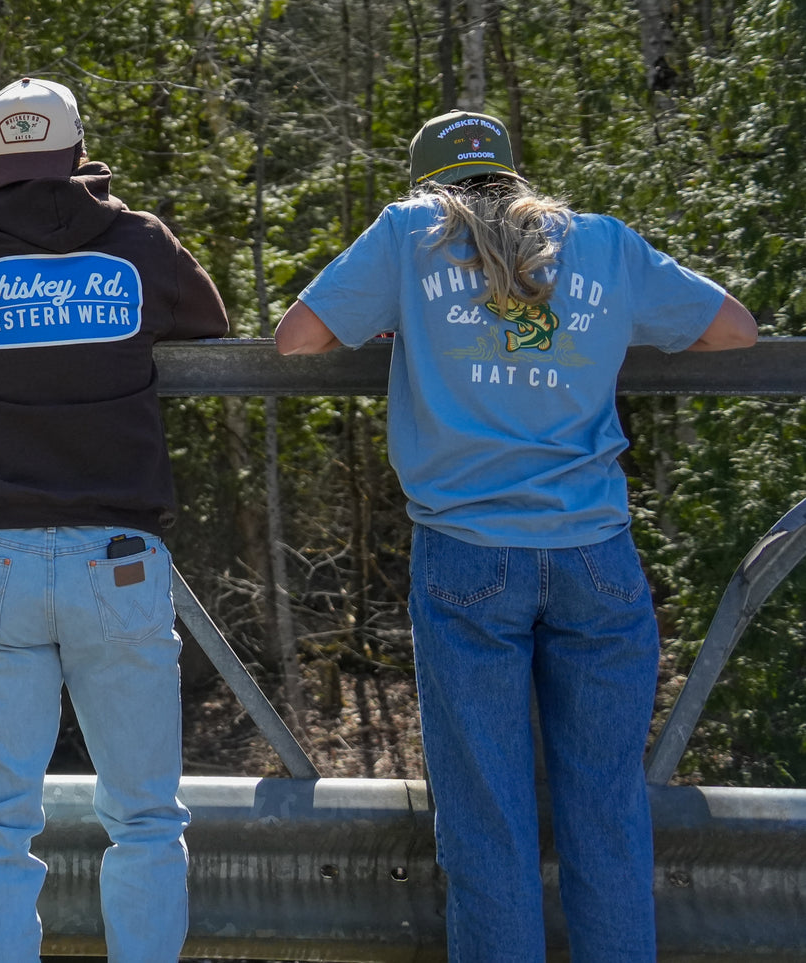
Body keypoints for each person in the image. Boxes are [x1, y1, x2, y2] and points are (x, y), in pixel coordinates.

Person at [275, 109, 757, 961]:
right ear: (513, 174)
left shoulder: (405, 237)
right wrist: (608, 327)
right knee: (606, 807)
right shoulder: (601, 242)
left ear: (430, 185)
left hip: (465, 556)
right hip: (595, 554)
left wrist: (407, 321)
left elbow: (298, 338)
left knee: (486, 815)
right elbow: (734, 330)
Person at [0, 77, 230, 962]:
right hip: (120, 560)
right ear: (78, 154)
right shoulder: (137, 241)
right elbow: (210, 320)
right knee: (144, 815)